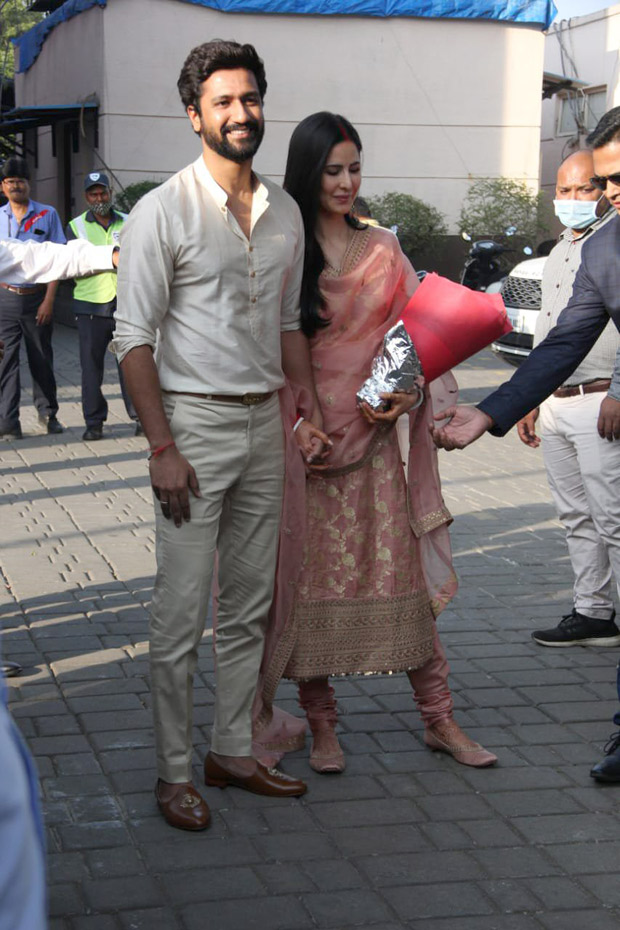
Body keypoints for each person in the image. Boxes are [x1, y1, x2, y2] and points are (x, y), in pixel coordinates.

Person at [113, 40, 329, 831]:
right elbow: (133, 338)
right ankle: (174, 772)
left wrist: (304, 405)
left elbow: (285, 324)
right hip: (192, 426)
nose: (241, 114)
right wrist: (161, 448)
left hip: (265, 426)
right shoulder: (161, 211)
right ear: (194, 115)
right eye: (224, 102)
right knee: (178, 616)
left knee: (248, 607)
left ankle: (232, 749)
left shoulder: (286, 212)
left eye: (251, 98)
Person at [253, 112, 497, 776]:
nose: (346, 181)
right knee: (307, 590)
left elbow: (419, 341)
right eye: (332, 169)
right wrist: (298, 424)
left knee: (403, 585)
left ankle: (440, 720)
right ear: (307, 172)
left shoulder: (384, 247)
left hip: (375, 433)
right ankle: (323, 726)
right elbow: (268, 349)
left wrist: (407, 397)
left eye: (354, 167)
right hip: (304, 442)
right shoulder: (282, 245)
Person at [431, 105, 620, 784]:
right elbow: (565, 340)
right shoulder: (603, 248)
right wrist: (492, 411)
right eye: (606, 180)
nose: (611, 192)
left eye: (615, 178)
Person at [516, 151, 620, 648]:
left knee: (613, 519)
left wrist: (619, 392)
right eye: (563, 190)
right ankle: (593, 613)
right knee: (575, 516)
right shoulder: (559, 249)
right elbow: (549, 330)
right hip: (556, 402)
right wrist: (530, 398)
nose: (572, 199)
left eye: (585, 188)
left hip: (600, 401)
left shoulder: (612, 245)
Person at [66, 172, 140, 441]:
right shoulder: (75, 226)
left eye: (103, 193)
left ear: (111, 193)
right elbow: (72, 263)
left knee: (132, 364)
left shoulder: (129, 221)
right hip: (90, 306)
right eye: (94, 194)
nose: (99, 198)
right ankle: (94, 422)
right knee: (91, 367)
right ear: (87, 197)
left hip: (126, 304)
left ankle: (139, 416)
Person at [0, 156, 65, 438]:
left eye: (21, 181)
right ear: (3, 186)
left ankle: (48, 413)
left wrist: (49, 300)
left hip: (37, 298)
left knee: (41, 358)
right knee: (5, 362)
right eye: (11, 182)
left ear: (29, 184)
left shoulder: (47, 214)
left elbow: (57, 259)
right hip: (4, 300)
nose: (17, 186)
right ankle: (8, 421)